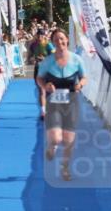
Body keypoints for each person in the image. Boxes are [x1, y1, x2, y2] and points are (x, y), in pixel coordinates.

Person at [36, 28, 88, 181]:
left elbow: (84, 77)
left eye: (62, 39)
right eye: (56, 40)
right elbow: (40, 78)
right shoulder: (47, 62)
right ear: (52, 43)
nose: (60, 42)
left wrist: (80, 85)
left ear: (67, 40)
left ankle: (64, 167)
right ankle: (51, 147)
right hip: (54, 104)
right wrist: (45, 86)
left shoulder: (77, 59)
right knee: (57, 139)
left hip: (71, 103)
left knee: (69, 140)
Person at [28, 27, 55, 120]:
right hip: (38, 70)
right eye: (38, 35)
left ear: (44, 36)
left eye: (42, 35)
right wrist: (32, 60)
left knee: (49, 91)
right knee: (41, 91)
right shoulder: (33, 45)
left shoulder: (48, 45)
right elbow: (29, 58)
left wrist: (45, 59)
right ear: (36, 35)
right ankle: (43, 112)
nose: (40, 36)